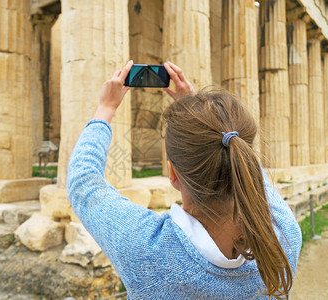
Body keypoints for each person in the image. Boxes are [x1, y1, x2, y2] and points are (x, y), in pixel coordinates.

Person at [67, 60, 302, 299]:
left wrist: (105, 108)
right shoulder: (285, 237)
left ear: (172, 173)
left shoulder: (147, 250)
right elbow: (244, 164)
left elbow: (83, 182)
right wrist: (205, 121)